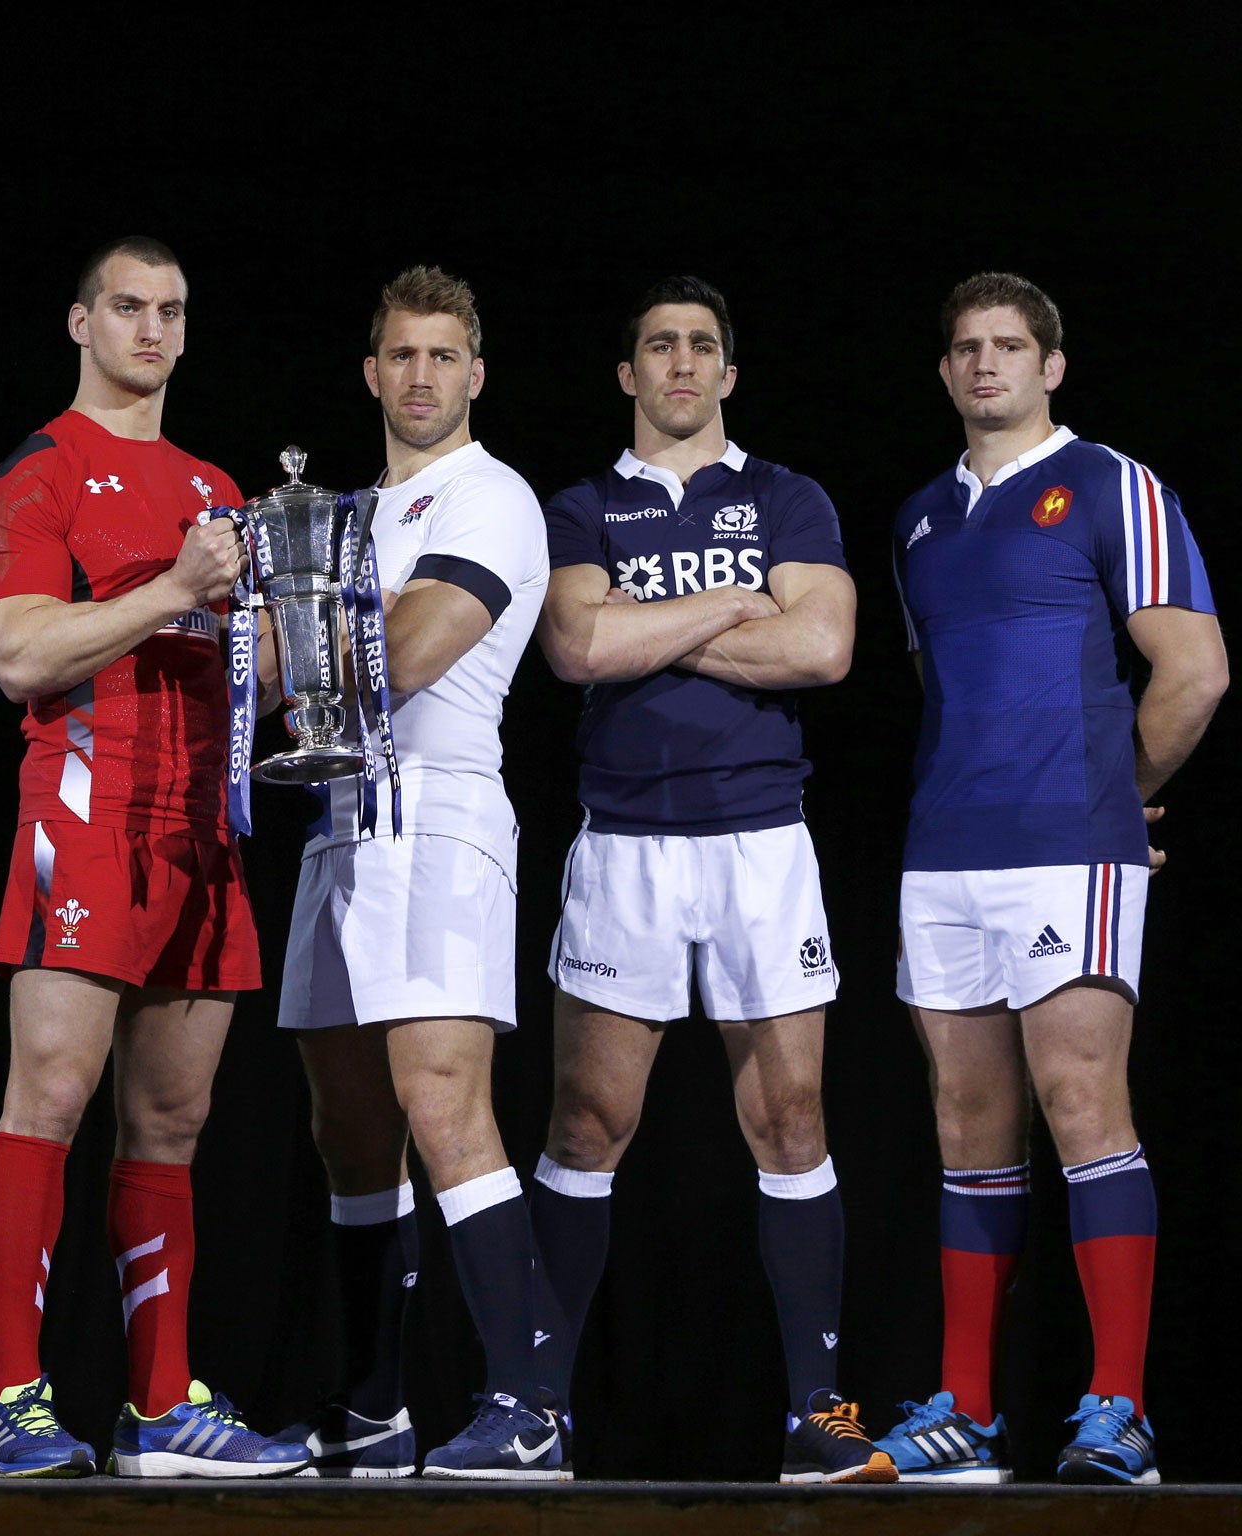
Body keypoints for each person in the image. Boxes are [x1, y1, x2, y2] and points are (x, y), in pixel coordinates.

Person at [870, 273, 1223, 1487]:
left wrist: (1111, 799)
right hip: (941, 854)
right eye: (964, 347)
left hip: (1066, 850)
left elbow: (1194, 670)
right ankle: (962, 1410)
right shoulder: (920, 519)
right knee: (966, 1131)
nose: (984, 366)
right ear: (943, 369)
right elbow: (941, 698)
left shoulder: (1113, 487)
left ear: (1050, 365)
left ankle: (1116, 1407)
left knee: (1084, 1113)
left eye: (1007, 347)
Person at [535, 277, 891, 1483]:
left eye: (701, 347)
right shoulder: (577, 504)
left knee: (790, 1120)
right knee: (588, 1123)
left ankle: (819, 1414)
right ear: (625, 375)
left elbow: (825, 647)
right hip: (623, 841)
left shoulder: (785, 495)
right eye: (656, 347)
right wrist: (740, 601)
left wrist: (661, 617)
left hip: (759, 842)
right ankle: (537, 1402)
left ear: (727, 374)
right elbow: (578, 646)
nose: (680, 364)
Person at [0, 236, 304, 1480]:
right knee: (47, 1099)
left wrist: (309, 624)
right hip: (82, 815)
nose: (151, 330)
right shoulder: (38, 472)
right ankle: (13, 1400)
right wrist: (173, 585)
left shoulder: (217, 484)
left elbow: (254, 671)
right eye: (127, 308)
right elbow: (16, 655)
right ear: (79, 321)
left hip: (200, 831)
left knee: (173, 1119)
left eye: (170, 309)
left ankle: (162, 1408)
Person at [273, 267, 560, 1480]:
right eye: (401, 355)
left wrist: (291, 629)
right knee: (347, 1128)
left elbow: (408, 649)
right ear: (371, 371)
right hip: (334, 824)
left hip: (438, 819)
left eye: (443, 356)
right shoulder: (339, 517)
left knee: (443, 1108)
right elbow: (299, 676)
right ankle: (373, 1400)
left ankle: (531, 1403)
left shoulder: (489, 496)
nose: (420, 376)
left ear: (474, 373)